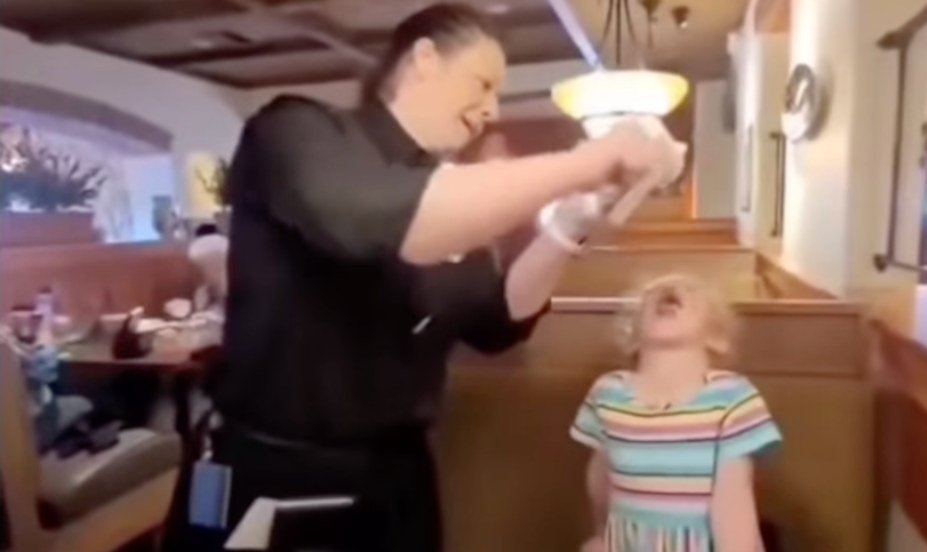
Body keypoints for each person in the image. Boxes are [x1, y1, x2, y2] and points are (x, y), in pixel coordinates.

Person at [195, 2, 686, 551]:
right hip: (280, 470)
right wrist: (591, 160)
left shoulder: (450, 194)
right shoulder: (297, 131)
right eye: (482, 84)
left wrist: (567, 228)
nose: (490, 110)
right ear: (424, 59)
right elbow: (378, 218)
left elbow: (497, 321)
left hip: (398, 478)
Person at [571, 274, 781, 552]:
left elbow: (733, 506)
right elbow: (600, 477)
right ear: (632, 336)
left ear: (715, 337)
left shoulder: (731, 395)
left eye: (690, 292)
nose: (669, 290)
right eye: (653, 295)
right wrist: (600, 536)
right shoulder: (609, 391)